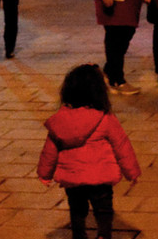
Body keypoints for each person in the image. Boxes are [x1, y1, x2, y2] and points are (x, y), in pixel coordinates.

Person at [37, 64, 141, 239]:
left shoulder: (60, 121)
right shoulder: (105, 118)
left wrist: (44, 174)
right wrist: (131, 172)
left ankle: (79, 235)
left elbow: (49, 151)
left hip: (73, 179)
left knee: (77, 210)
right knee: (104, 210)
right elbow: (122, 146)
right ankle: (103, 235)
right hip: (101, 178)